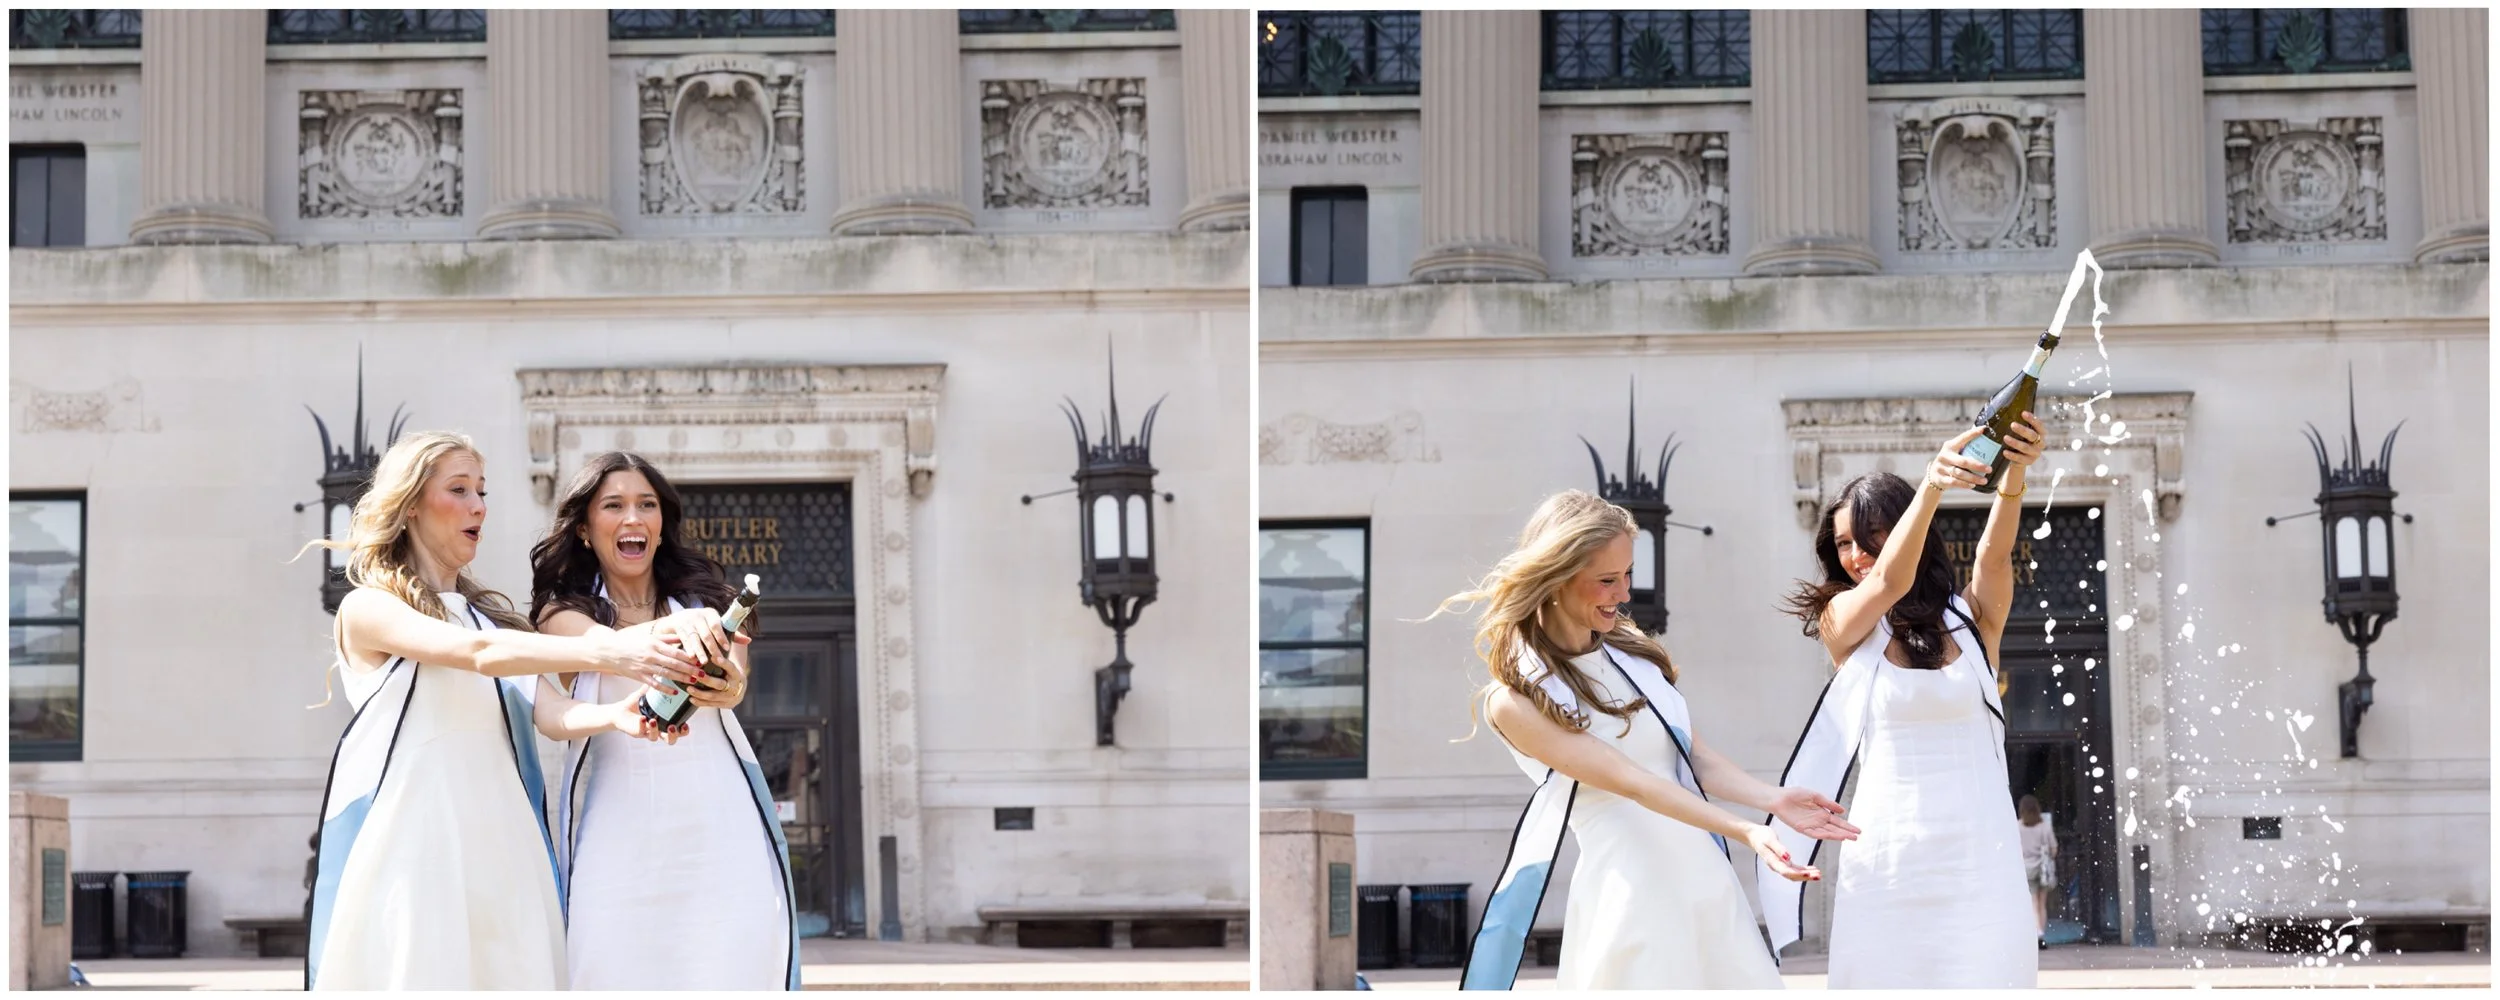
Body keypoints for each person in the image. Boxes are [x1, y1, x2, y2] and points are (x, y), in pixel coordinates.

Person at [304, 432, 710, 990]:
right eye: (459, 490)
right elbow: (479, 654)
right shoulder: (368, 609)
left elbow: (552, 713)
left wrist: (618, 715)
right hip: (419, 840)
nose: (478, 506)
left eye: (482, 491)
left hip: (506, 839)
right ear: (412, 504)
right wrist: (611, 649)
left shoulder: (489, 620)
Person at [1449, 490, 1859, 990]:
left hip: (1705, 881)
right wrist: (1747, 831)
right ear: (1556, 577)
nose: (1623, 594)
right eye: (1607, 580)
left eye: (1627, 574)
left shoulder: (1633, 657)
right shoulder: (1517, 698)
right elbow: (1634, 782)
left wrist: (1772, 799)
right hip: (1631, 896)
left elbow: (1693, 757)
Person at [1763, 415, 2048, 988]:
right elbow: (1890, 583)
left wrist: (2015, 469)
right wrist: (1933, 484)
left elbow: (1994, 559)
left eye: (1869, 537)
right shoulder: (1842, 621)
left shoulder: (1971, 623)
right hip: (1888, 859)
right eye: (1843, 543)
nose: (1855, 555)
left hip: (1982, 856)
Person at [531, 452, 799, 990]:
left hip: (721, 826)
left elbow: (734, 684)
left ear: (660, 523)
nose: (633, 517)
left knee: (734, 970)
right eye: (614, 505)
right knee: (607, 968)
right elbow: (604, 647)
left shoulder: (711, 603)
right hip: (616, 831)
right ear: (584, 528)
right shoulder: (562, 615)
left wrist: (726, 680)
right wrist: (681, 630)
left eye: (646, 505)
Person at [2019, 794, 2059, 949]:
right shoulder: (2045, 827)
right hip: (2043, 869)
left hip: (2026, 868)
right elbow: (2053, 849)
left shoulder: (2018, 827)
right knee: (2042, 904)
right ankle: (2041, 933)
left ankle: (2036, 933)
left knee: (2033, 903)